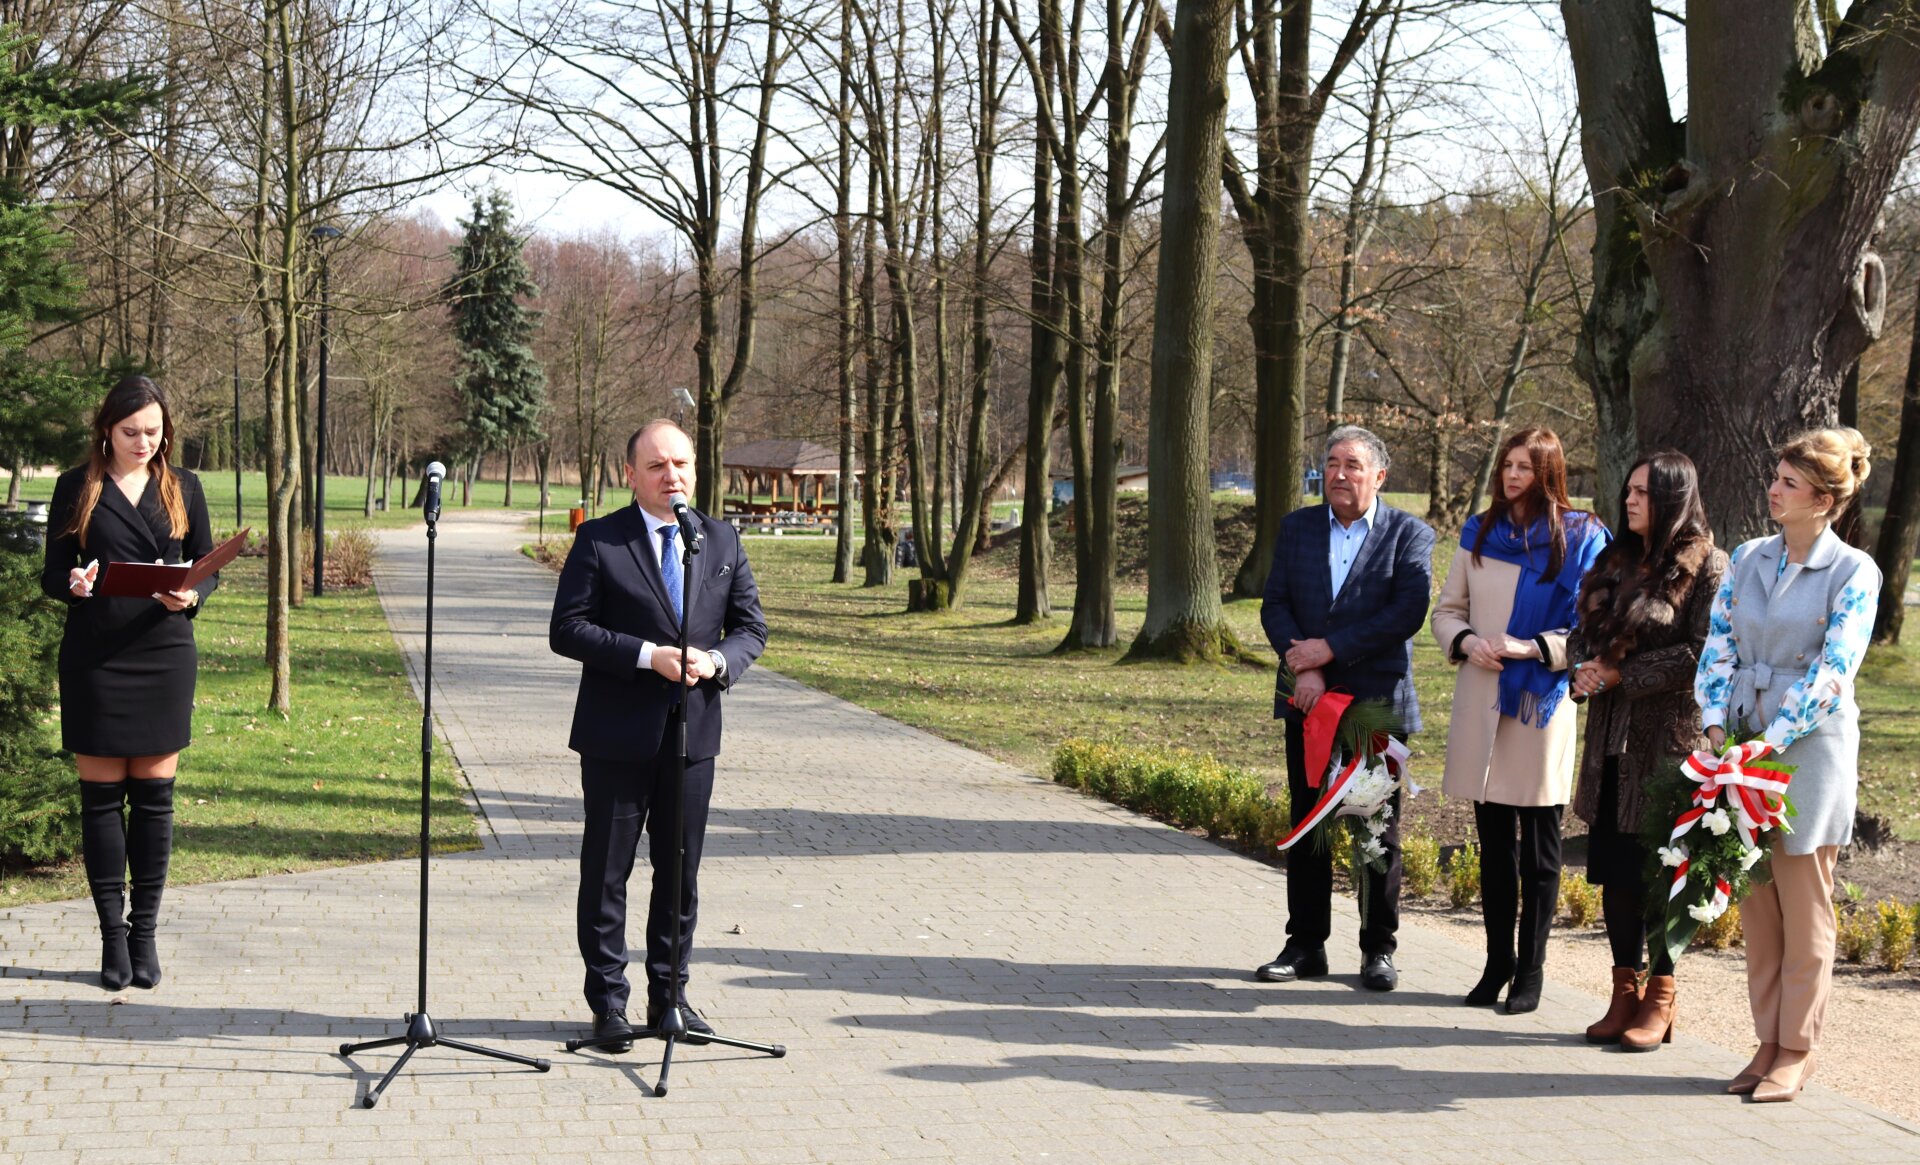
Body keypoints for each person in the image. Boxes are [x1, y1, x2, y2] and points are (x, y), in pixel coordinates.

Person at [549, 419, 768, 1053]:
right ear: (631, 474)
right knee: (608, 873)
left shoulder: (719, 539)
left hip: (693, 736)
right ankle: (608, 1005)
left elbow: (750, 627)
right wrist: (649, 655)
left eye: (681, 465)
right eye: (657, 467)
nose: (672, 477)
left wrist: (717, 662)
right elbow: (568, 629)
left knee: (679, 874)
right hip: (617, 736)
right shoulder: (600, 540)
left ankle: (670, 997)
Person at [1695, 427, 1879, 1103]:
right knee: (1758, 904)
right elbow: (1719, 645)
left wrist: (1769, 738)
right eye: (1774, 477)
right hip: (1740, 742)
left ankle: (1797, 1047)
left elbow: (1835, 671)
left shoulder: (1853, 571)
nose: (1773, 489)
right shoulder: (1746, 557)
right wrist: (1717, 722)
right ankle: (1765, 1039)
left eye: (1789, 482)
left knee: (1805, 906)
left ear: (1825, 499)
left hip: (1809, 748)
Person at [39, 375, 218, 991]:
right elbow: (53, 574)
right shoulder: (76, 487)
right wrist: (76, 585)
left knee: (154, 804)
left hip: (164, 654)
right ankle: (111, 939)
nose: (144, 442)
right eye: (131, 432)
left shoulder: (184, 487)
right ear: (106, 432)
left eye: (154, 431)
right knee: (100, 806)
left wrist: (193, 592)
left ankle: (145, 936)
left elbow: (207, 562)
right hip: (96, 658)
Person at [1433, 426, 1609, 1014]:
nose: (1512, 476)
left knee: (1539, 850)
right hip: (1483, 700)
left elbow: (1593, 630)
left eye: (1525, 467)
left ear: (1549, 472)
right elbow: (1448, 609)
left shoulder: (1583, 537)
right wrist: (1465, 642)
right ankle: (1495, 965)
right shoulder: (1480, 531)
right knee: (1493, 848)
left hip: (1541, 706)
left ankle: (1530, 972)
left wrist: (1536, 648)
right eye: (1508, 465)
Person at [1256, 426, 1436, 992]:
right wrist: (1303, 666)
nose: (1339, 474)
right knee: (1309, 822)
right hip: (1309, 702)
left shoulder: (1411, 534)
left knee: (1377, 829)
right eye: (1332, 462)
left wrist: (1328, 651)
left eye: (1353, 465)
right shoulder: (1297, 529)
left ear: (1379, 476)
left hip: (1376, 706)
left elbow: (1406, 612)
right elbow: (1276, 604)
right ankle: (1306, 944)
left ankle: (1378, 949)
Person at [1567, 452, 1727, 1051]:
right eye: (1627, 489)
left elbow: (1702, 654)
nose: (1629, 500)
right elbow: (1587, 632)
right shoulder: (1616, 559)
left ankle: (1662, 995)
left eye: (1642, 492)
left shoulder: (1710, 565)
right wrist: (1585, 670)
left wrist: (1622, 674)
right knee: (1616, 874)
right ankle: (1623, 994)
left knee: (1662, 874)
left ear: (1673, 497)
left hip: (1668, 748)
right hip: (1611, 744)